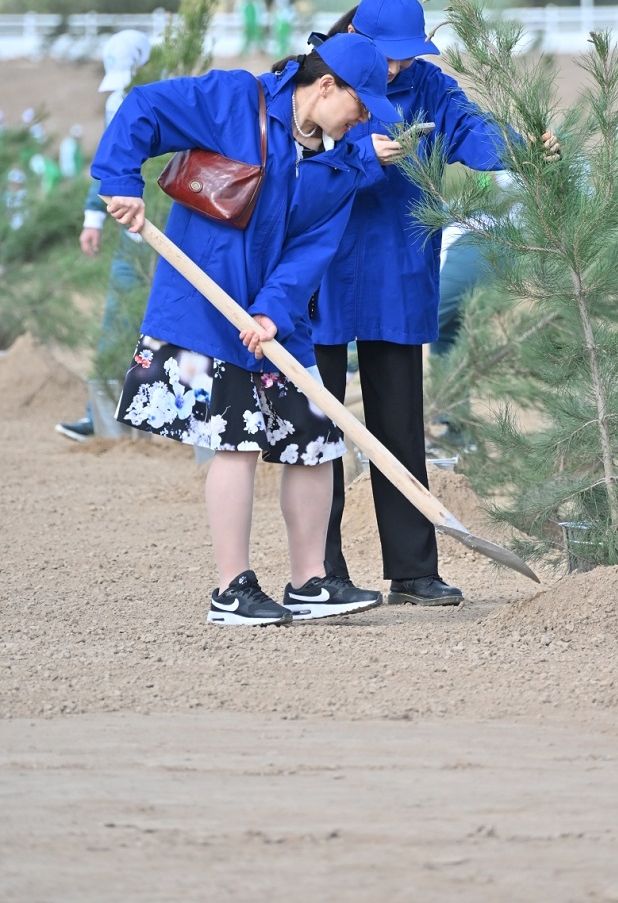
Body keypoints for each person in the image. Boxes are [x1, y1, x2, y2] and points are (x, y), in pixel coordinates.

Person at [91, 33, 400, 627]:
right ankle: (230, 590)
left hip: (277, 322)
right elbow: (145, 108)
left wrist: (272, 313)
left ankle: (310, 582)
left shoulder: (340, 163)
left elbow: (311, 250)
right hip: (208, 306)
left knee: (315, 440)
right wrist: (121, 179)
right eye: (360, 106)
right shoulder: (235, 100)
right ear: (326, 86)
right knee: (236, 441)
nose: (363, 121)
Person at [309, 0, 559, 607]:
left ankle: (414, 570)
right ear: (356, 38)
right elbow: (290, 160)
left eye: (406, 54)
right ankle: (321, 570)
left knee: (400, 425)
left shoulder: (429, 87)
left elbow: (471, 132)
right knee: (321, 427)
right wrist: (356, 152)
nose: (396, 67)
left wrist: (521, 147)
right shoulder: (317, 80)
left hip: (397, 267)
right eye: (387, 54)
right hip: (320, 269)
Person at [56, 30, 153, 442]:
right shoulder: (119, 100)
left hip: (173, 235)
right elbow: (108, 161)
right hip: (133, 238)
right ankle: (101, 418)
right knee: (118, 320)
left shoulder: (177, 95)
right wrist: (93, 217)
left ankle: (175, 423)